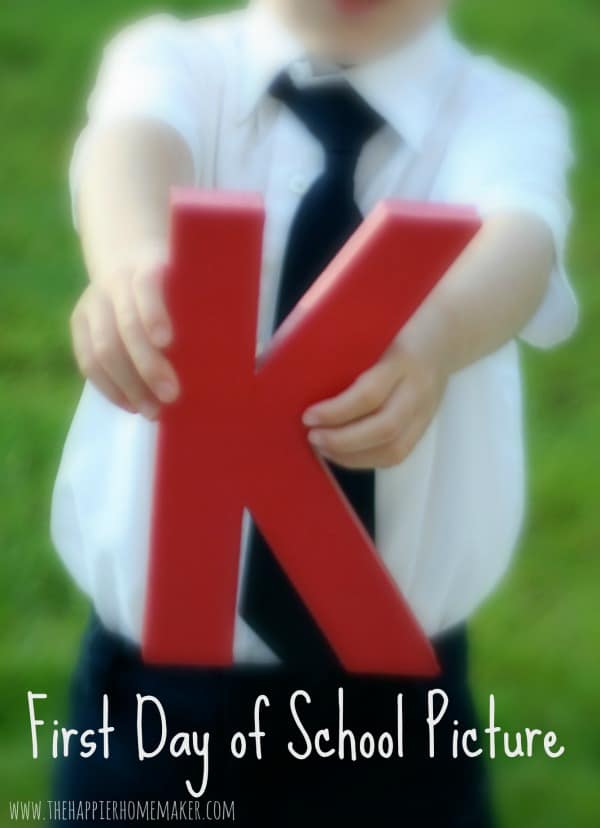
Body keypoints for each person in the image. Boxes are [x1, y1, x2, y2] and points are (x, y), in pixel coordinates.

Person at [51, 0, 578, 824]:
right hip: (156, 694)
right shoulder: (182, 60)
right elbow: (131, 141)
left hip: (394, 707)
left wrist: (436, 337)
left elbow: (518, 235)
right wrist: (131, 263)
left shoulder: (500, 110)